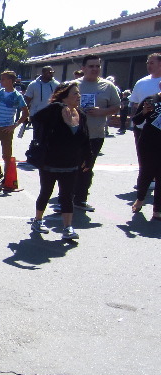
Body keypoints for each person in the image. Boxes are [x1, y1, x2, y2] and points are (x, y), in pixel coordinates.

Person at [30, 82, 93, 240]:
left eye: (79, 93)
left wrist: (88, 157)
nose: (79, 96)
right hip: (49, 162)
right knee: (46, 192)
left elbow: (85, 139)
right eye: (75, 93)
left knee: (67, 195)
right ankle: (38, 220)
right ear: (64, 97)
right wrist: (56, 106)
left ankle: (67, 227)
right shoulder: (54, 112)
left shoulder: (81, 115)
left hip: (71, 162)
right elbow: (36, 118)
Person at [67, 55, 120, 212]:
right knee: (70, 167)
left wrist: (102, 111)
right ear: (83, 68)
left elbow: (117, 106)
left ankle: (80, 199)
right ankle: (66, 199)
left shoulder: (108, 86)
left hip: (95, 135)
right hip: (73, 134)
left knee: (86, 168)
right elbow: (59, 104)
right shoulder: (72, 85)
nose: (95, 69)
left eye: (97, 66)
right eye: (91, 66)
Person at [0, 70, 29, 185]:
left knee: (6, 155)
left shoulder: (17, 96)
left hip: (6, 128)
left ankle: (7, 177)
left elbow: (26, 113)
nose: (1, 81)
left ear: (10, 81)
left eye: (3, 79)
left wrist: (14, 125)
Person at [131, 85, 161, 220]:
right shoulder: (151, 99)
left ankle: (157, 209)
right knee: (146, 172)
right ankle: (140, 198)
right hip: (148, 142)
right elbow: (136, 120)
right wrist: (144, 112)